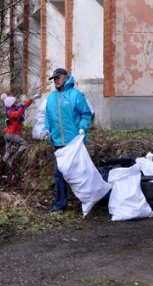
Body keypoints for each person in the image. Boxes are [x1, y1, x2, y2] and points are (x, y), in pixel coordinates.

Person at [44, 68, 93, 212]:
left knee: (80, 174)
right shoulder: (51, 98)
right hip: (58, 142)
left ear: (66, 77)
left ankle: (85, 202)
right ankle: (60, 204)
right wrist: (47, 129)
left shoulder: (76, 95)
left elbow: (86, 113)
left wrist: (83, 128)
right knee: (59, 174)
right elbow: (48, 116)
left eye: (58, 77)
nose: (56, 80)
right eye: (54, 78)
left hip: (74, 142)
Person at [1, 93, 40, 168]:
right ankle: (12, 159)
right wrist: (22, 107)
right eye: (15, 102)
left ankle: (3, 165)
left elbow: (24, 106)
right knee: (25, 145)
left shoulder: (13, 109)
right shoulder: (10, 112)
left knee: (8, 152)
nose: (16, 103)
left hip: (8, 134)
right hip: (12, 134)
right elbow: (18, 114)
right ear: (11, 104)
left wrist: (31, 99)